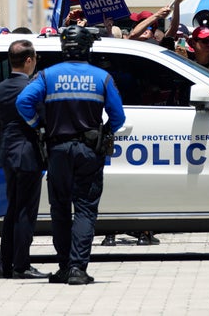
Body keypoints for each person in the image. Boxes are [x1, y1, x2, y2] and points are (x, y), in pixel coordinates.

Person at [15, 26, 125, 285]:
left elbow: (23, 102)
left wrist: (37, 125)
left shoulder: (46, 75)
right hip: (88, 151)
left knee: (60, 209)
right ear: (87, 48)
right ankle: (77, 268)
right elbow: (119, 116)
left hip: (57, 150)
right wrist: (105, 131)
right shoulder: (102, 77)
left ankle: (64, 266)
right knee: (86, 210)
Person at [0, 40, 49, 280]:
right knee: (25, 212)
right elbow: (43, 119)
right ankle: (21, 265)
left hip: (7, 153)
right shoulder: (33, 88)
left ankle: (5, 265)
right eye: (35, 58)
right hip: (27, 154)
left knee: (13, 209)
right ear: (28, 60)